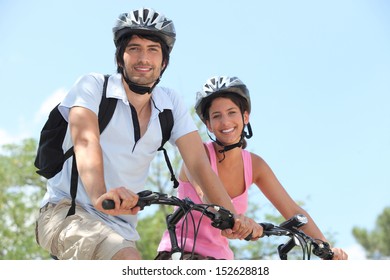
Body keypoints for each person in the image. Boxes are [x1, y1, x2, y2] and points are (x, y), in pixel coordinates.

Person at [35, 9, 261, 260]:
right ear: (120, 57)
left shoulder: (170, 103)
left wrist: (232, 217)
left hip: (121, 228)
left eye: (153, 49)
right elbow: (86, 140)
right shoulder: (93, 86)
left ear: (164, 61)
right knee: (127, 259)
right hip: (67, 212)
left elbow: (199, 164)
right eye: (134, 48)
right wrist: (100, 194)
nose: (144, 58)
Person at [156, 76, 349, 260]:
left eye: (232, 112)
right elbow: (209, 197)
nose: (225, 122)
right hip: (180, 254)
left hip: (221, 259)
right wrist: (239, 221)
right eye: (216, 116)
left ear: (245, 116)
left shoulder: (255, 165)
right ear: (208, 124)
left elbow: (292, 210)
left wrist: (326, 249)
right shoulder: (198, 155)